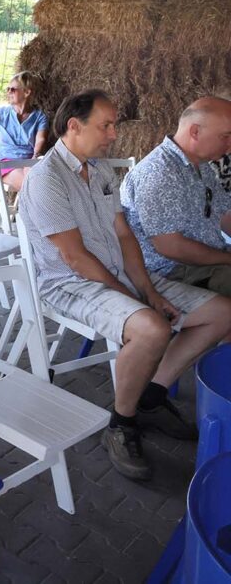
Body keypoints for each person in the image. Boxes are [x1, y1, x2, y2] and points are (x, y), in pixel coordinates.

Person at [20, 89, 231, 481]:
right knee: (152, 328)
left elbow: (125, 236)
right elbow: (74, 258)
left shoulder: (99, 170)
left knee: (222, 313)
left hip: (114, 275)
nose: (114, 133)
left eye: (114, 124)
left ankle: (149, 395)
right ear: (73, 126)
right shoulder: (46, 178)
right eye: (107, 125)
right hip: (69, 284)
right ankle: (121, 422)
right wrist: (134, 297)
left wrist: (148, 291)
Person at [121, 96, 231, 298]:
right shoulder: (158, 172)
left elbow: (224, 214)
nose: (230, 145)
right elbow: (170, 247)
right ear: (195, 132)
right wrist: (226, 258)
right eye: (225, 136)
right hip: (172, 272)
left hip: (205, 262)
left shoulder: (201, 165)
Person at [0, 71, 48, 191]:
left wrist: (34, 157)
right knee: (31, 185)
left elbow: (41, 139)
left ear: (27, 92)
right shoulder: (1, 113)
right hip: (2, 163)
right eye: (7, 89)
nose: (8, 92)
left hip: (28, 161)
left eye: (12, 89)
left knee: (40, 180)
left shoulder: (39, 117)